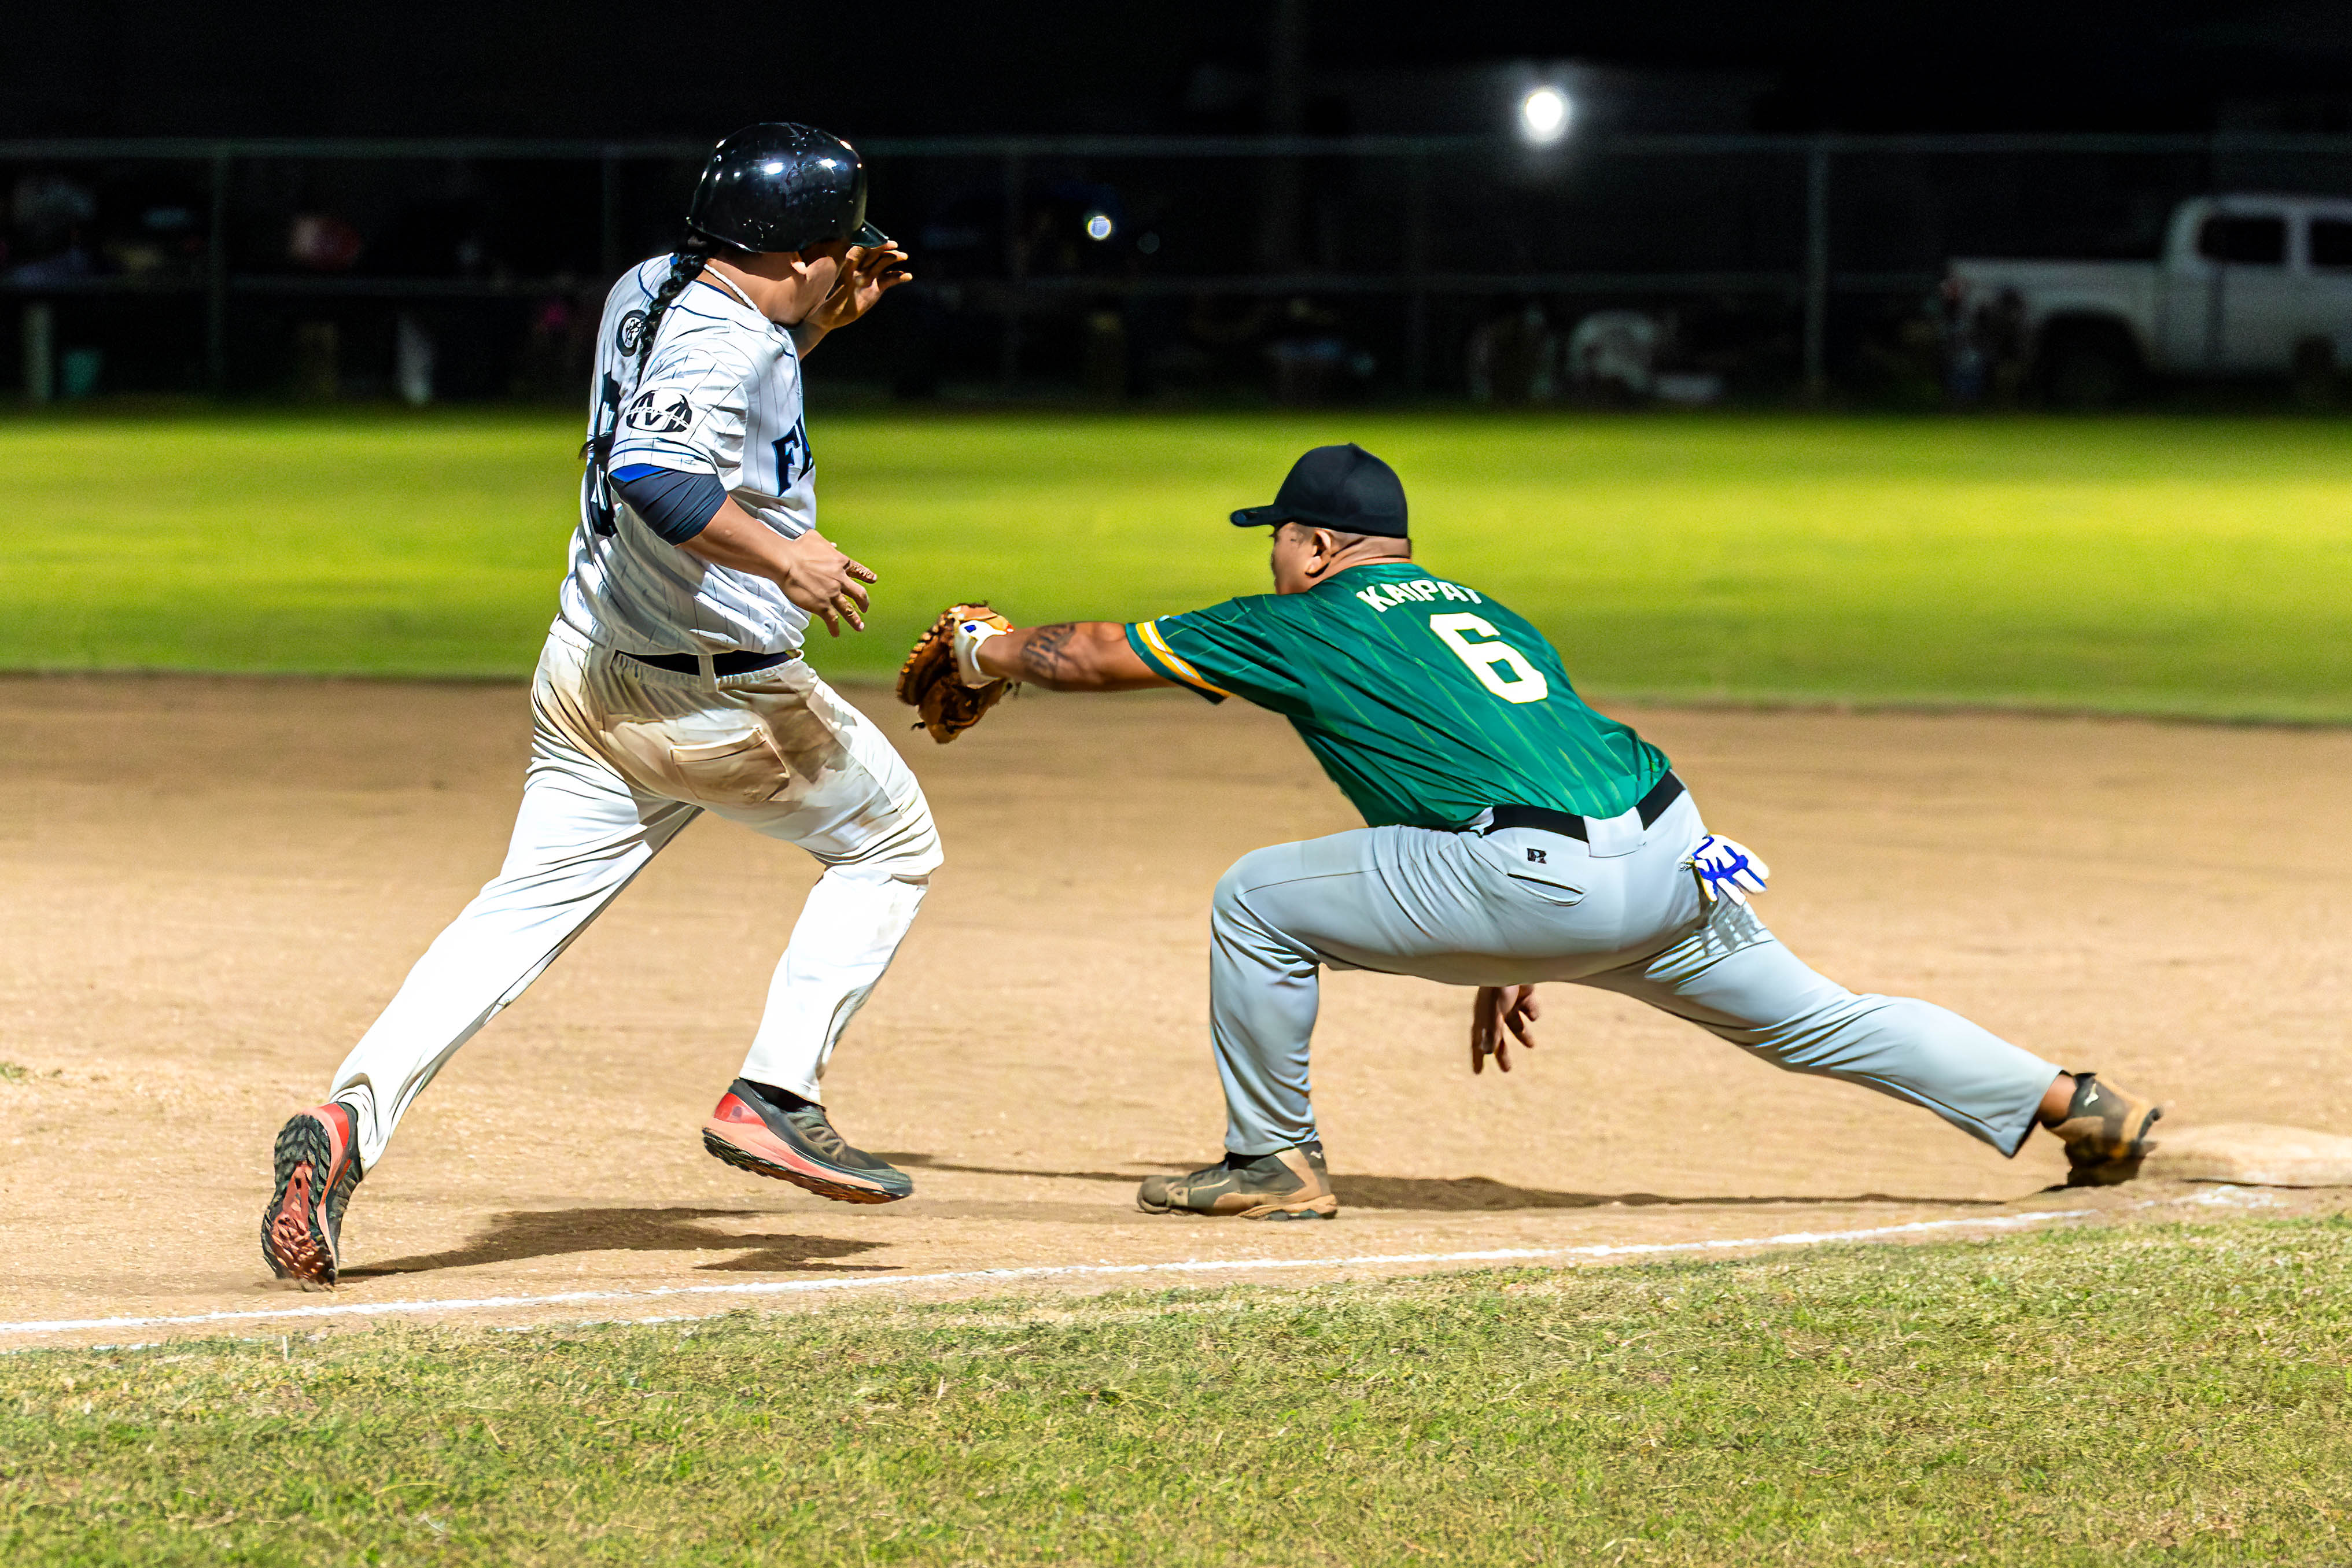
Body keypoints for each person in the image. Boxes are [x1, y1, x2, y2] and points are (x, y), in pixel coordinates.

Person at [937, 442, 2164, 1220]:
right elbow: (1520, 759)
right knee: (1818, 1018)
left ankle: (1272, 1162)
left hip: (1539, 875)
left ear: (1315, 546)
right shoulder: (1486, 610)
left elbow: (1092, 655)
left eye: (1278, 534)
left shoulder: (1303, 620)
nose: (1272, 553)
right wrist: (1507, 942)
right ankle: (2073, 1103)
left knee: (1253, 898)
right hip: (1674, 850)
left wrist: (983, 647)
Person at [261, 124, 936, 1288]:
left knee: (515, 917)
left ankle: (347, 1121)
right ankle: (774, 1092)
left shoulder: (651, 286)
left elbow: (716, 403)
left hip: (587, 668)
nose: (847, 261)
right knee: (890, 847)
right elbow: (657, 473)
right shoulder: (730, 339)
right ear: (794, 249)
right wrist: (791, 562)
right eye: (835, 245)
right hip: (714, 695)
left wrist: (822, 321)